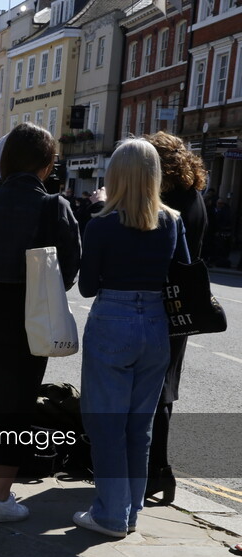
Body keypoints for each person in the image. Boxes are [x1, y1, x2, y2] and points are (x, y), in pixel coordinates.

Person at [0, 123, 80, 522]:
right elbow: (69, 271)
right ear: (48, 164)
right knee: (17, 406)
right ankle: (0, 498)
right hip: (29, 311)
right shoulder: (54, 206)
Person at [74, 138, 188, 538]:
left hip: (113, 320)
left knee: (106, 425)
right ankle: (130, 513)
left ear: (116, 175)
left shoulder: (102, 222)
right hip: (156, 324)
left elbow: (87, 287)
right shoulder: (172, 220)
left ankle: (109, 516)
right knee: (139, 427)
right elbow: (184, 271)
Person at [143, 131, 209, 506]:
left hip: (160, 301)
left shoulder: (165, 201)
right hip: (185, 305)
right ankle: (160, 471)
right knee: (165, 389)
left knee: (149, 390)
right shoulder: (195, 196)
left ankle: (155, 469)